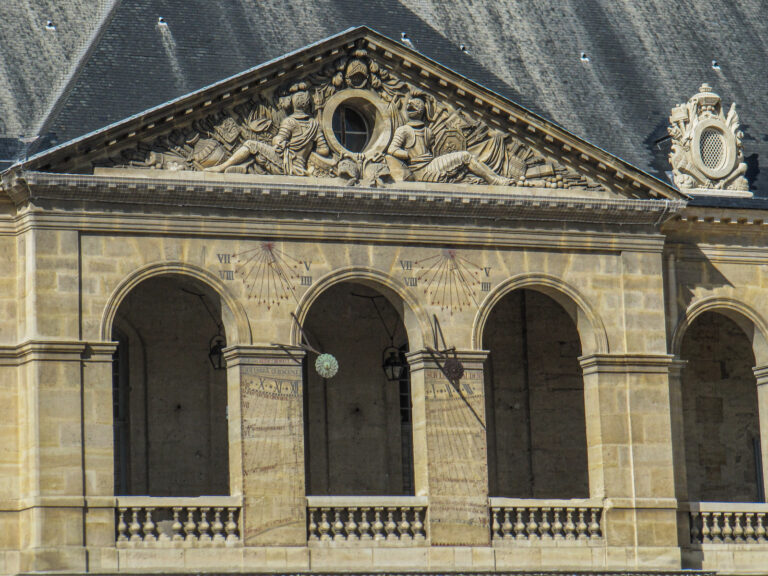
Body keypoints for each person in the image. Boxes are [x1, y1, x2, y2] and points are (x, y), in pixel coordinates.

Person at [387, 97, 511, 185]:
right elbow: (392, 149)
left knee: (466, 158)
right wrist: (407, 155)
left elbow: (432, 151)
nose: (410, 107)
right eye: (410, 106)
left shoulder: (428, 131)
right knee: (466, 156)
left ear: (421, 111)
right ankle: (493, 180)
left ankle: (494, 178)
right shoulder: (403, 130)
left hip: (431, 165)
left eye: (416, 106)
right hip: (421, 170)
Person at [205, 89, 330, 175]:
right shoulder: (315, 125)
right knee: (258, 151)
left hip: (285, 164)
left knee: (250, 144)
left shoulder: (289, 121)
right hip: (301, 166)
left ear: (293, 104)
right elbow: (324, 150)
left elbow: (278, 140)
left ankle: (222, 167)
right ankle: (242, 167)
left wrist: (281, 144)